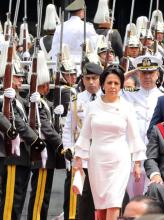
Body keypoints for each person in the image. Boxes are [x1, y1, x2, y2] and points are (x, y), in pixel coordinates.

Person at [73, 65, 146, 219]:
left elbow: (134, 136)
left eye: (116, 83)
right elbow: (85, 135)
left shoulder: (127, 107)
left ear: (120, 86)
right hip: (97, 160)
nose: (113, 87)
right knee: (100, 204)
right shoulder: (92, 107)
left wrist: (138, 163)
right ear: (103, 84)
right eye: (109, 83)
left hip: (119, 159)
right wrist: (79, 160)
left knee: (114, 201)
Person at [0, 57, 46, 220]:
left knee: (18, 199)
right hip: (13, 156)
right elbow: (16, 122)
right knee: (10, 201)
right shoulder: (3, 98)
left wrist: (37, 102)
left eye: (21, 77)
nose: (21, 79)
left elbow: (28, 115)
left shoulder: (19, 99)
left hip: (23, 155)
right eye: (17, 76)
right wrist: (36, 140)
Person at [62, 62, 103, 220]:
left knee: (101, 197)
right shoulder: (76, 100)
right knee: (81, 198)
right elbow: (68, 129)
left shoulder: (108, 98)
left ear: (100, 79)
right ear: (83, 80)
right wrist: (68, 149)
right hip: (82, 157)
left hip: (102, 155)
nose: (91, 82)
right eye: (87, 78)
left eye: (94, 78)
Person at [28, 51, 65, 220]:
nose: (48, 87)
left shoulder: (43, 103)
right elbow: (45, 127)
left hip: (48, 155)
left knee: (45, 194)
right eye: (46, 84)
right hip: (43, 153)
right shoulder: (36, 103)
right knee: (40, 195)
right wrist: (60, 143)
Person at [123, 55, 164, 197]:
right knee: (133, 198)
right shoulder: (128, 95)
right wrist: (128, 74)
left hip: (155, 155)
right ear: (138, 73)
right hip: (132, 155)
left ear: (157, 74)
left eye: (151, 72)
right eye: (143, 72)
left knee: (152, 199)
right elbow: (106, 88)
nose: (147, 76)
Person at [51, 0, 98, 72]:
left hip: (65, 67)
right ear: (82, 11)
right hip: (83, 66)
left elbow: (55, 50)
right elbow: (94, 47)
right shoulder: (88, 27)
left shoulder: (60, 27)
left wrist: (55, 69)